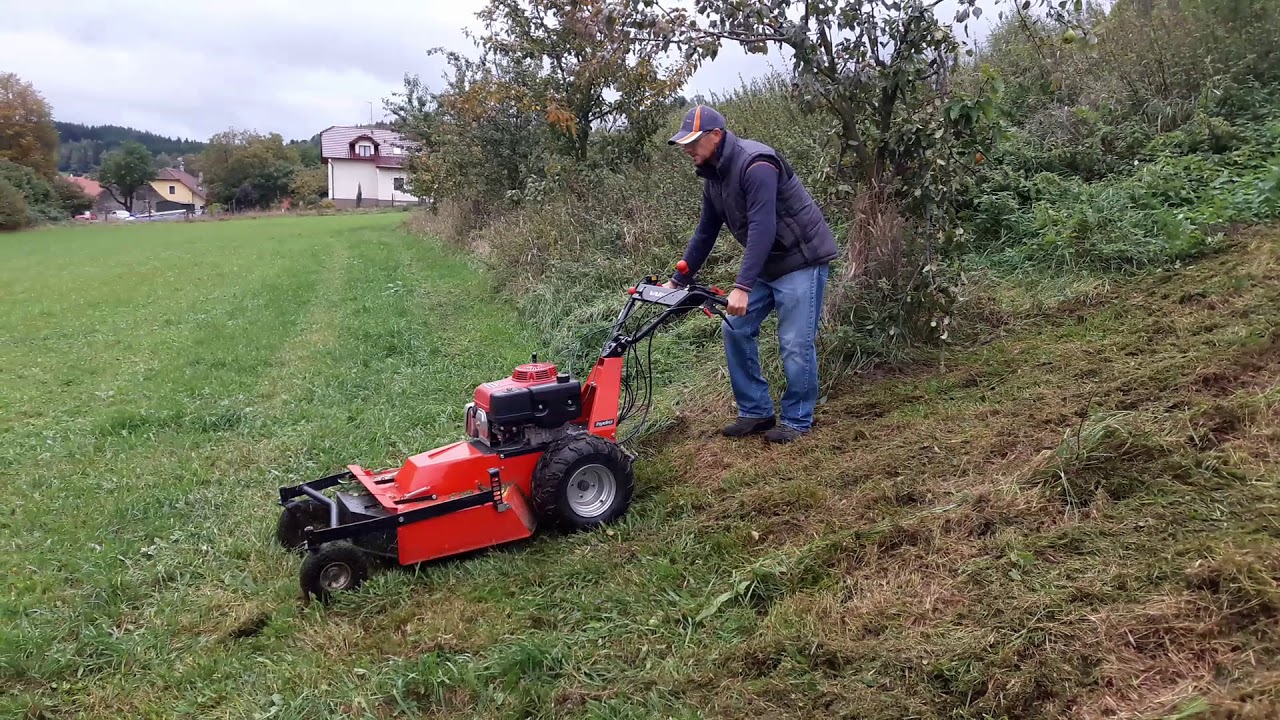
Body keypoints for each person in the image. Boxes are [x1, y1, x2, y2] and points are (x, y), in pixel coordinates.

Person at [664, 105, 838, 444]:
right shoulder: (714, 175)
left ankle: (797, 419)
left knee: (794, 343)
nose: (687, 149)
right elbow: (705, 231)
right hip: (768, 262)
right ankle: (756, 410)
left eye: (693, 142)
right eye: (684, 143)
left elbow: (763, 227)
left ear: (716, 135)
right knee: (735, 328)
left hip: (801, 258)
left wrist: (742, 286)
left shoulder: (756, 164)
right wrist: (677, 281)